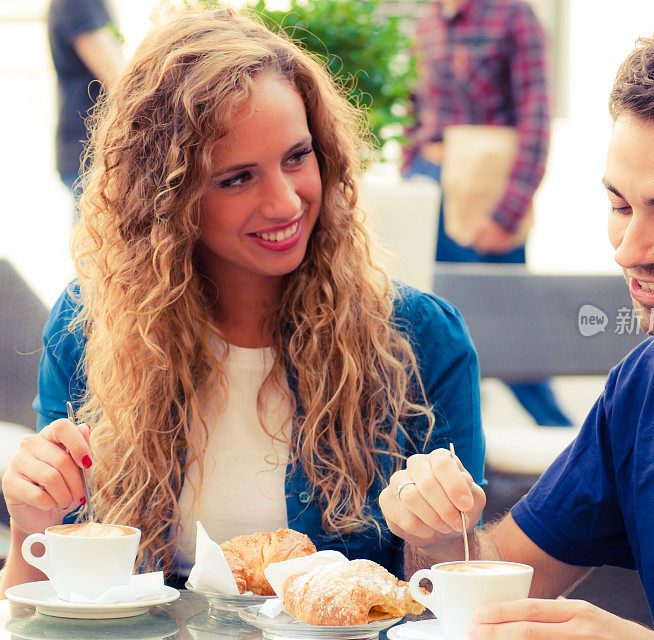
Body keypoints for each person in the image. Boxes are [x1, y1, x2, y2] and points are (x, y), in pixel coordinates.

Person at [0, 8, 484, 593]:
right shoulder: (87, 330)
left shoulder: (420, 339)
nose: (285, 203)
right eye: (236, 178)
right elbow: (42, 605)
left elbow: (458, 602)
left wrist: (436, 540)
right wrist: (35, 520)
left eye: (297, 157)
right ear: (166, 199)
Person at [380, 5, 654, 639]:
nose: (630, 249)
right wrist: (440, 537)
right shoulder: (645, 388)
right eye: (619, 205)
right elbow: (495, 579)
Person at [403, 0, 570, 426]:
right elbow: (413, 110)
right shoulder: (427, 20)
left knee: (507, 328)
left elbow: (535, 119)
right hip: (428, 188)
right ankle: (454, 452)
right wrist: (410, 173)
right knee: (431, 329)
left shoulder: (512, 14)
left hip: (485, 195)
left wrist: (507, 214)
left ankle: (569, 442)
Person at [47, 0, 125, 209]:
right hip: (89, 151)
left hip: (92, 150)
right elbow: (117, 78)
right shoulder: (78, 3)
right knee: (95, 239)